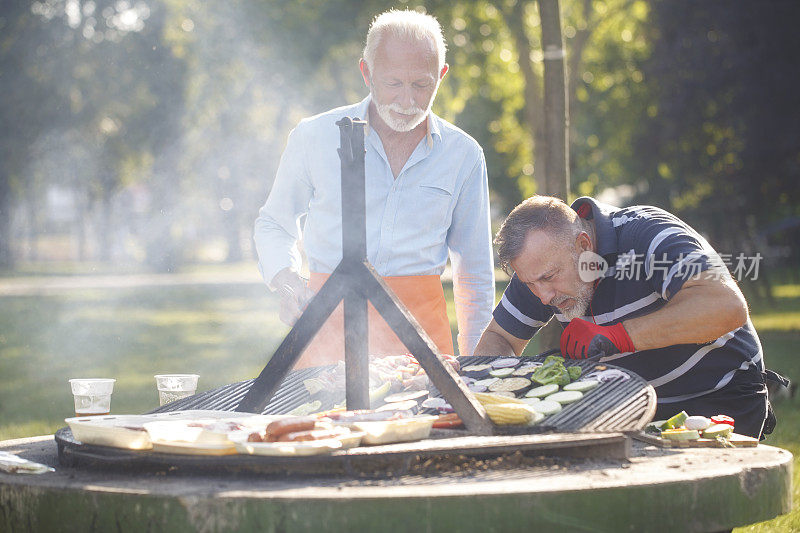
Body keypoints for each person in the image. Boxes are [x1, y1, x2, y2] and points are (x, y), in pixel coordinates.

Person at [254, 10, 494, 367]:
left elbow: (473, 272)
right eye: (394, 83)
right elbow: (274, 223)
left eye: (421, 84)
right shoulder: (314, 136)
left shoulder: (464, 154)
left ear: (441, 76)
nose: (407, 100)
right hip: (327, 332)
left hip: (424, 341)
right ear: (366, 72)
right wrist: (287, 281)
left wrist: (478, 363)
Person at [474, 195, 776, 439]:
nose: (543, 296)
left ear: (583, 245)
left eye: (549, 278)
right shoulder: (540, 266)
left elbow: (725, 306)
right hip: (629, 407)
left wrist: (618, 336)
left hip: (718, 398)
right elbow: (498, 338)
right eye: (530, 284)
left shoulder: (648, 235)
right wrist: (492, 384)